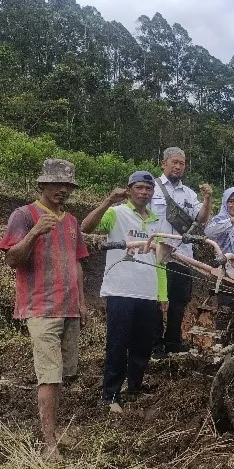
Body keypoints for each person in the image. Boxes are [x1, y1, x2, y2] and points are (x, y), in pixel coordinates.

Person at [0, 158, 88, 461]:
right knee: (49, 376)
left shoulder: (72, 221)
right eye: (56, 184)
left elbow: (76, 262)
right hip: (41, 307)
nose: (62, 190)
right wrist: (35, 232)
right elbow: (12, 260)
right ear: (43, 184)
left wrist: (82, 303)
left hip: (69, 307)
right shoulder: (24, 215)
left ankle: (57, 431)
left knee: (63, 374)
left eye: (67, 185)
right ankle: (49, 442)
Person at [81, 171, 170, 413]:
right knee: (118, 344)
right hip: (120, 290)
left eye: (148, 189)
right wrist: (108, 201)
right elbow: (87, 228)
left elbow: (160, 260)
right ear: (129, 190)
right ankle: (110, 395)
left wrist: (163, 294)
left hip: (147, 292)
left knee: (142, 345)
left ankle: (135, 388)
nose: (144, 192)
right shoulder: (116, 213)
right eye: (139, 188)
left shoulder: (157, 222)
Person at [150, 146, 212, 361]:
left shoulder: (189, 194)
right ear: (164, 164)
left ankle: (173, 341)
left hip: (183, 255)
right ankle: (155, 344)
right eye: (174, 162)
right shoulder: (152, 189)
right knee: (155, 300)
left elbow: (201, 219)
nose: (178, 166)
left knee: (179, 301)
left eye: (182, 163)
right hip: (157, 255)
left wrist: (207, 200)